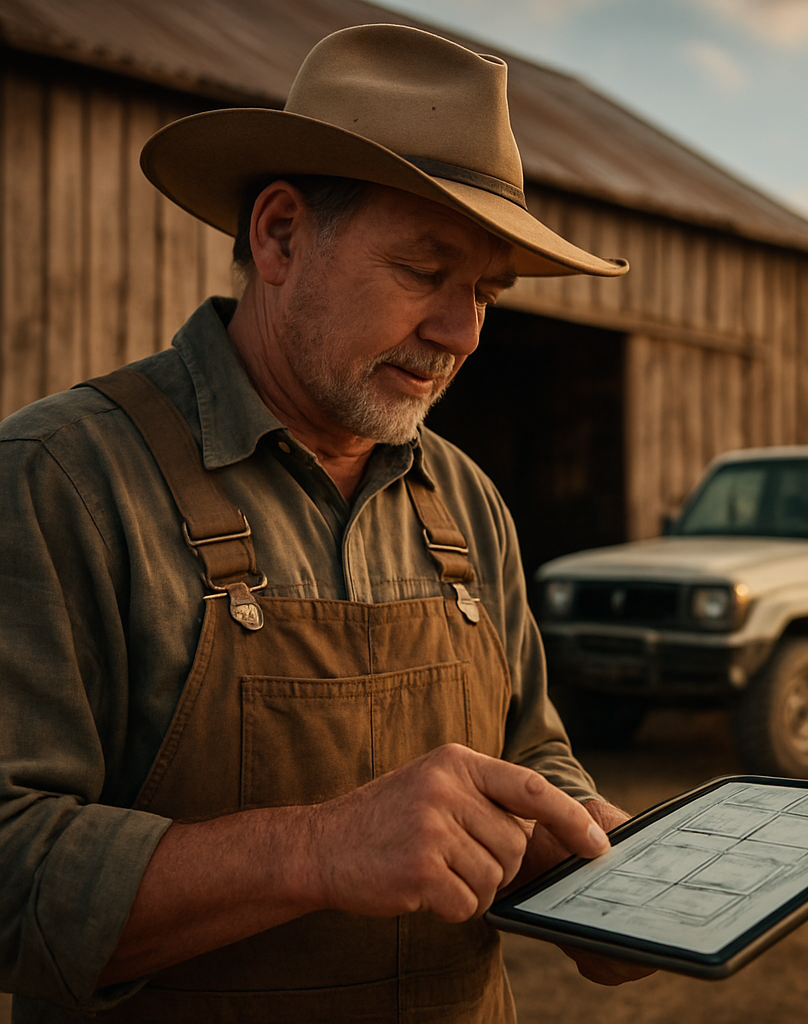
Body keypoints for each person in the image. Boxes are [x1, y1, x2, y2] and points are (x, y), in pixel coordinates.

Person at [0, 22, 650, 1023]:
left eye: (483, 290)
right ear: (281, 235)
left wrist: (589, 864)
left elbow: (531, 754)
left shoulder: (468, 501)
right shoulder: (64, 480)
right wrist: (316, 850)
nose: (462, 332)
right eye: (424, 269)